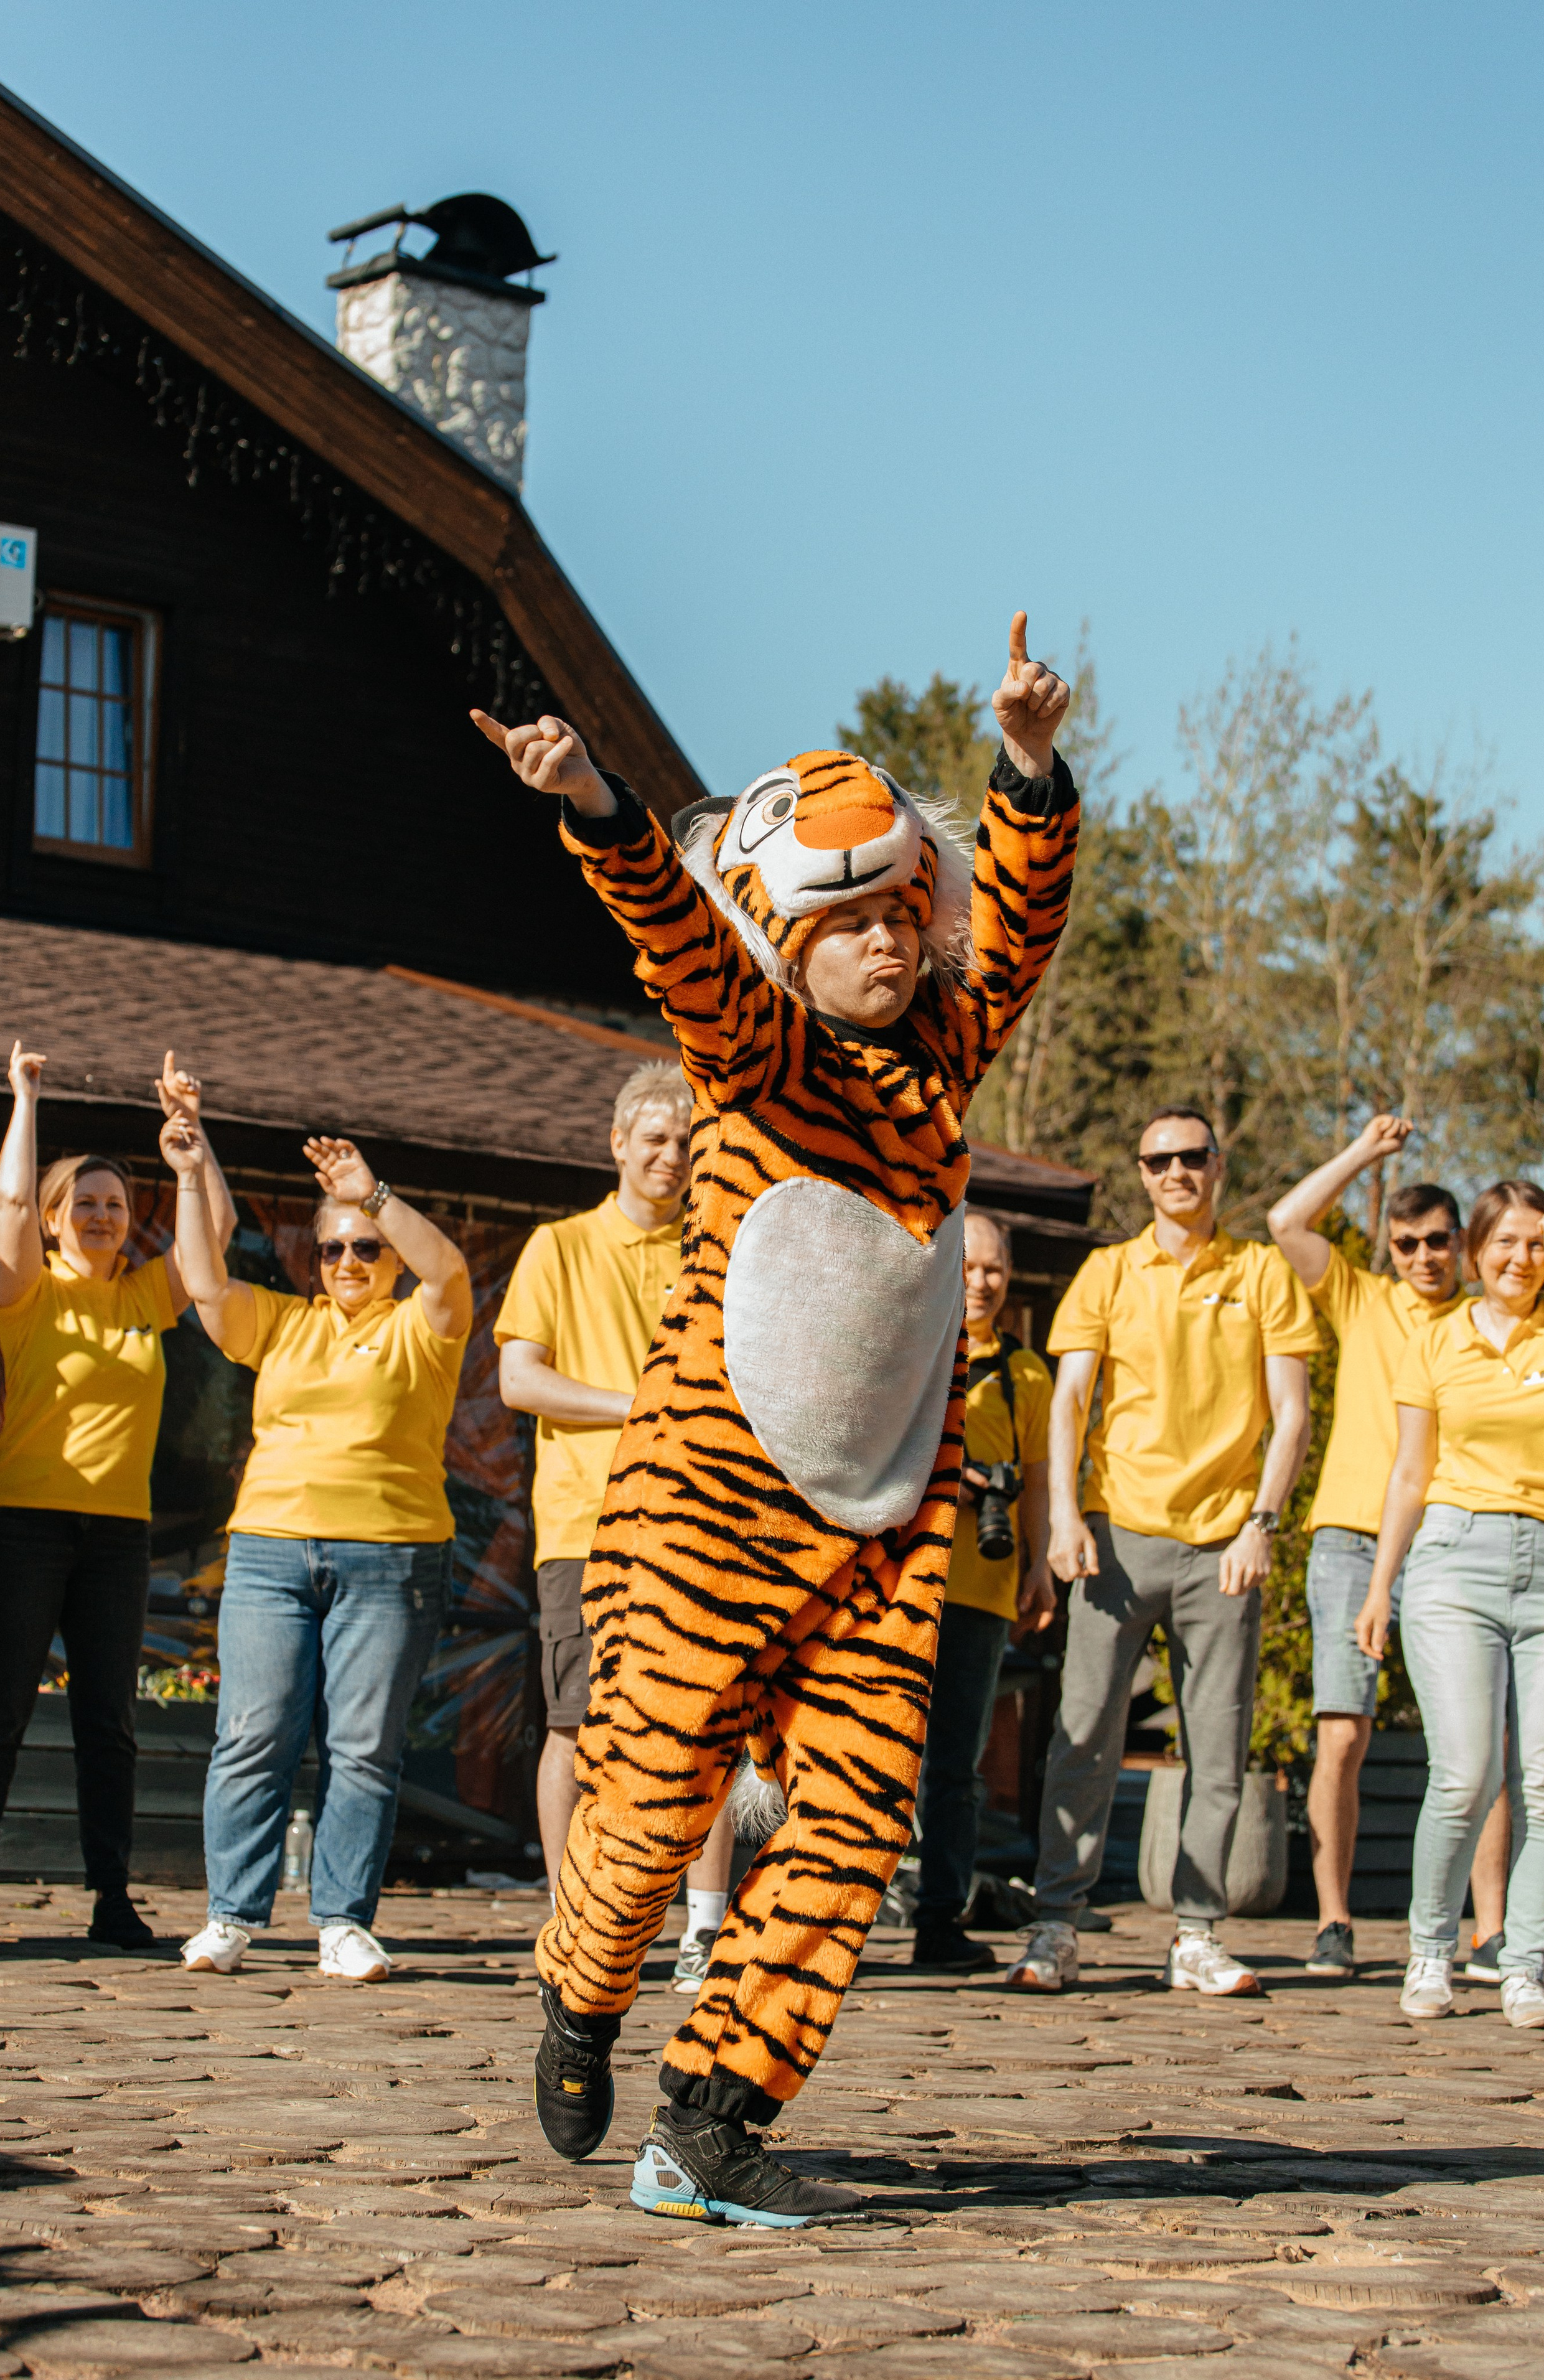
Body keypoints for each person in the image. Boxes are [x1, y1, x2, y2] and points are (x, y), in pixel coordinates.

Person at [472, 606, 1076, 2227]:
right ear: (788, 939)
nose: (889, 941)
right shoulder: (754, 1057)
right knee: (655, 1803)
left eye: (904, 912)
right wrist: (599, 810)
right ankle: (581, 1989)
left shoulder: (942, 1061)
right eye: (850, 919)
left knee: (860, 1813)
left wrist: (1025, 770)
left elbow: (1017, 932)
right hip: (705, 1510)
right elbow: (675, 939)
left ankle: (713, 2115)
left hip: (883, 1519)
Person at [1012, 1107, 1317, 1998]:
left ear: (1218, 1166)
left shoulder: (1261, 1272)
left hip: (1225, 1541)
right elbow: (1069, 1402)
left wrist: (1263, 1521)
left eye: (1193, 1156)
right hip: (1116, 1536)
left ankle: (1196, 1934)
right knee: (1083, 1735)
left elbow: (1292, 1411)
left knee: (1216, 1746)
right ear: (1142, 1175)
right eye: (1159, 1160)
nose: (1177, 1171)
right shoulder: (1109, 1272)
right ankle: (1055, 1927)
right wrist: (1065, 1517)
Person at [163, 1120, 472, 1983]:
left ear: (390, 1254)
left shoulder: (423, 1325)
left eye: (366, 1248)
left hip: (394, 1557)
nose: (347, 1262)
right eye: (332, 1249)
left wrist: (372, 1193)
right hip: (269, 1553)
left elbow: (448, 1267)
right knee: (252, 1735)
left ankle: (341, 1921)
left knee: (365, 1747)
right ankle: (230, 1914)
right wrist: (190, 1172)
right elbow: (201, 1282)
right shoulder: (284, 1324)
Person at [0, 1044, 236, 1952]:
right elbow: (4, 1202)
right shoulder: (27, 1294)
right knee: (0, 1714)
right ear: (50, 1220)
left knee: (108, 1724)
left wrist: (190, 1147)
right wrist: (25, 1096)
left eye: (117, 1204)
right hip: (26, 1529)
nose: (102, 1216)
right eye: (83, 1202)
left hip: (118, 1536)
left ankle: (111, 1899)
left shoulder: (145, 1300)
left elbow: (218, 1239)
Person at [496, 1059, 738, 1993]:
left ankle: (703, 1929)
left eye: (685, 1144)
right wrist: (636, 1404)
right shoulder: (559, 1247)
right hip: (585, 1527)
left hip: (703, 1520)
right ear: (617, 1145)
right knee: (578, 1724)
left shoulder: (714, 1250)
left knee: (705, 1724)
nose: (671, 1158)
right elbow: (520, 1381)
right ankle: (573, 1916)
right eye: (655, 1141)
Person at [1267, 1115, 1477, 1981]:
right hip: (1351, 1538)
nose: (1422, 1258)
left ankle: (1489, 1929)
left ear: (1461, 1244)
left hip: (1454, 1538)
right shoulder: (1363, 1297)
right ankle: (1335, 1921)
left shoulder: (1492, 1318)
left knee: (1477, 1746)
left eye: (1437, 1242)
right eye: (1407, 1243)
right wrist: (1365, 1154)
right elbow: (1286, 1224)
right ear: (1389, 1246)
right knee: (1343, 1737)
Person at [1355, 1183, 1544, 2030]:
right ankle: (1430, 1949)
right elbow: (1408, 1471)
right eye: (1505, 1243)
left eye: (1538, 1245)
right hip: (1453, 1563)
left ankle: (1524, 1966)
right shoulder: (1436, 1339)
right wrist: (1380, 1584)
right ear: (1475, 1251)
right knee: (1467, 1772)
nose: (1521, 1260)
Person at [911, 1209, 1051, 1972]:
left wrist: (1038, 1565)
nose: (981, 1282)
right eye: (967, 1267)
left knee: (957, 1767)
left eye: (994, 1268)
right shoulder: (916, 1343)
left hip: (983, 1588)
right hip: (901, 1582)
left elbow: (1036, 1482)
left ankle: (940, 1921)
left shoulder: (1028, 1373)